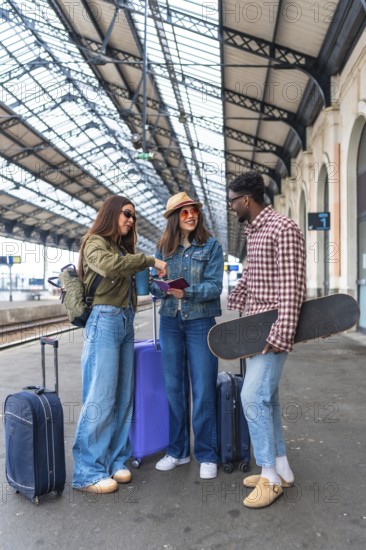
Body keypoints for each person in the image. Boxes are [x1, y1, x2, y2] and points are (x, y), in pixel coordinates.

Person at [72, 195, 167, 494]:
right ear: (111, 213)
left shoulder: (121, 249)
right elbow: (111, 268)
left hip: (125, 321)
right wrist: (148, 259)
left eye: (133, 217)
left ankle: (115, 460)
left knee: (123, 396)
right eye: (127, 213)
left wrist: (156, 283)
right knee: (100, 397)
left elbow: (128, 276)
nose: (130, 220)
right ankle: (87, 471)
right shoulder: (95, 242)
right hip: (104, 321)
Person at [227, 171, 306, 509]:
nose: (230, 207)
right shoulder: (254, 231)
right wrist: (237, 295)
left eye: (232, 201)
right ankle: (282, 468)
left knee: (252, 398)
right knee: (268, 400)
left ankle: (269, 476)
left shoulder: (282, 229)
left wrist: (281, 334)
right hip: (255, 329)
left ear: (246, 199)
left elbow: (292, 288)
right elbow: (255, 275)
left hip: (273, 331)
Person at [150, 192, 224, 479]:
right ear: (173, 219)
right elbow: (155, 289)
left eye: (193, 211)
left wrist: (187, 291)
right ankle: (177, 451)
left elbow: (214, 286)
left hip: (201, 323)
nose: (191, 215)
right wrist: (158, 283)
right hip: (170, 321)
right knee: (174, 389)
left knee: (203, 388)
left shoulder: (211, 246)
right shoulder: (162, 249)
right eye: (184, 212)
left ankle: (207, 453)